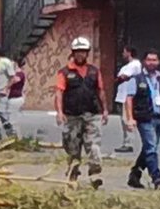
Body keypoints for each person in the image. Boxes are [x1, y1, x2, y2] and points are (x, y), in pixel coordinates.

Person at [54, 35, 106, 186]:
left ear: (87, 53)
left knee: (93, 145)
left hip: (92, 114)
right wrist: (59, 112)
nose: (80, 54)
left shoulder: (94, 72)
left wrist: (105, 110)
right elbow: (59, 93)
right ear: (73, 53)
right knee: (72, 147)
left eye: (83, 51)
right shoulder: (64, 72)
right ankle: (73, 173)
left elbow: (101, 91)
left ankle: (95, 173)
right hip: (72, 115)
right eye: (77, 51)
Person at [126, 49, 160, 190]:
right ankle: (157, 178)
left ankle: (135, 175)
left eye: (154, 60)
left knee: (149, 148)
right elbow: (129, 99)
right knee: (151, 147)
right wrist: (130, 118)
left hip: (159, 117)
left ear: (159, 62)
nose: (151, 62)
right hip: (144, 118)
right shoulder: (136, 79)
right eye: (149, 60)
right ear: (144, 62)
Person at [113, 45, 143, 153]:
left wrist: (117, 79)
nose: (123, 54)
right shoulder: (128, 65)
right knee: (123, 119)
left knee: (127, 119)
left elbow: (124, 77)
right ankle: (126, 141)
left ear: (129, 53)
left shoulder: (135, 64)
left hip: (128, 95)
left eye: (124, 52)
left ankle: (129, 143)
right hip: (123, 95)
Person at [0, 48, 21, 140]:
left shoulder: (5, 62)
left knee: (2, 113)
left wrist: (6, 88)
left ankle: (11, 134)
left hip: (1, 92)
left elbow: (12, 77)